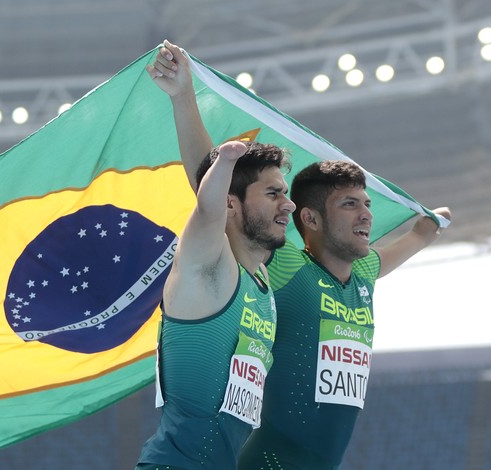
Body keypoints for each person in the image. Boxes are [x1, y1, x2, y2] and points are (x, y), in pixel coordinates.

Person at [146, 40, 451, 469]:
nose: (367, 215)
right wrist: (186, 101)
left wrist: (425, 229)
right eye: (350, 204)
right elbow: (214, 199)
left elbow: (403, 246)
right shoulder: (284, 267)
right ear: (311, 219)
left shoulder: (358, 275)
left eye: (367, 205)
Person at [136, 45, 296, 468]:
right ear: (233, 204)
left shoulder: (261, 279)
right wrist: (222, 156)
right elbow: (209, 204)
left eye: (288, 193)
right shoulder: (206, 271)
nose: (290, 205)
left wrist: (183, 99)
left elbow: (215, 193)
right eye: (274, 193)